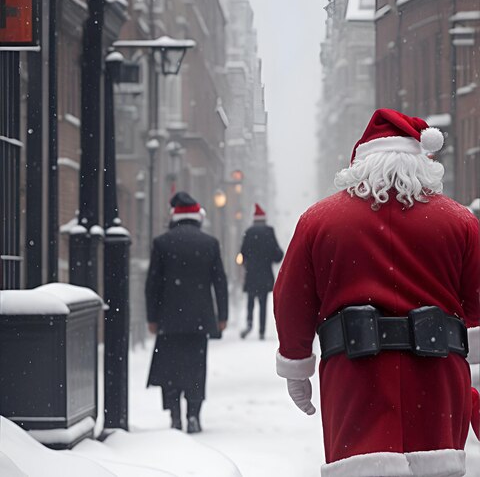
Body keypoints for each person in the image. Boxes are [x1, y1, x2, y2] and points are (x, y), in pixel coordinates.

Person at [273, 109, 480, 477]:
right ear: (422, 162)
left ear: (361, 162)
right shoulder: (460, 222)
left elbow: (292, 300)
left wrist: (296, 365)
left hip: (355, 378)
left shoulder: (319, 222)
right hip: (437, 378)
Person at [145, 191, 228, 434]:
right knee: (195, 367)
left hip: (169, 319)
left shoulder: (162, 243)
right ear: (197, 218)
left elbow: (153, 284)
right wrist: (221, 316)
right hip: (199, 320)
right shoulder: (210, 243)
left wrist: (152, 317)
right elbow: (219, 282)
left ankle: (174, 416)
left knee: (170, 367)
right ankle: (194, 414)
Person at [239, 203, 284, 340]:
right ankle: (261, 330)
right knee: (263, 302)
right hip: (265, 273)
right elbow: (278, 254)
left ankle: (249, 323)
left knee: (250, 300)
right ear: (264, 219)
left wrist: (248, 263)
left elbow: (242, 253)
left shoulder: (249, 231)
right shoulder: (269, 231)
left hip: (252, 273)